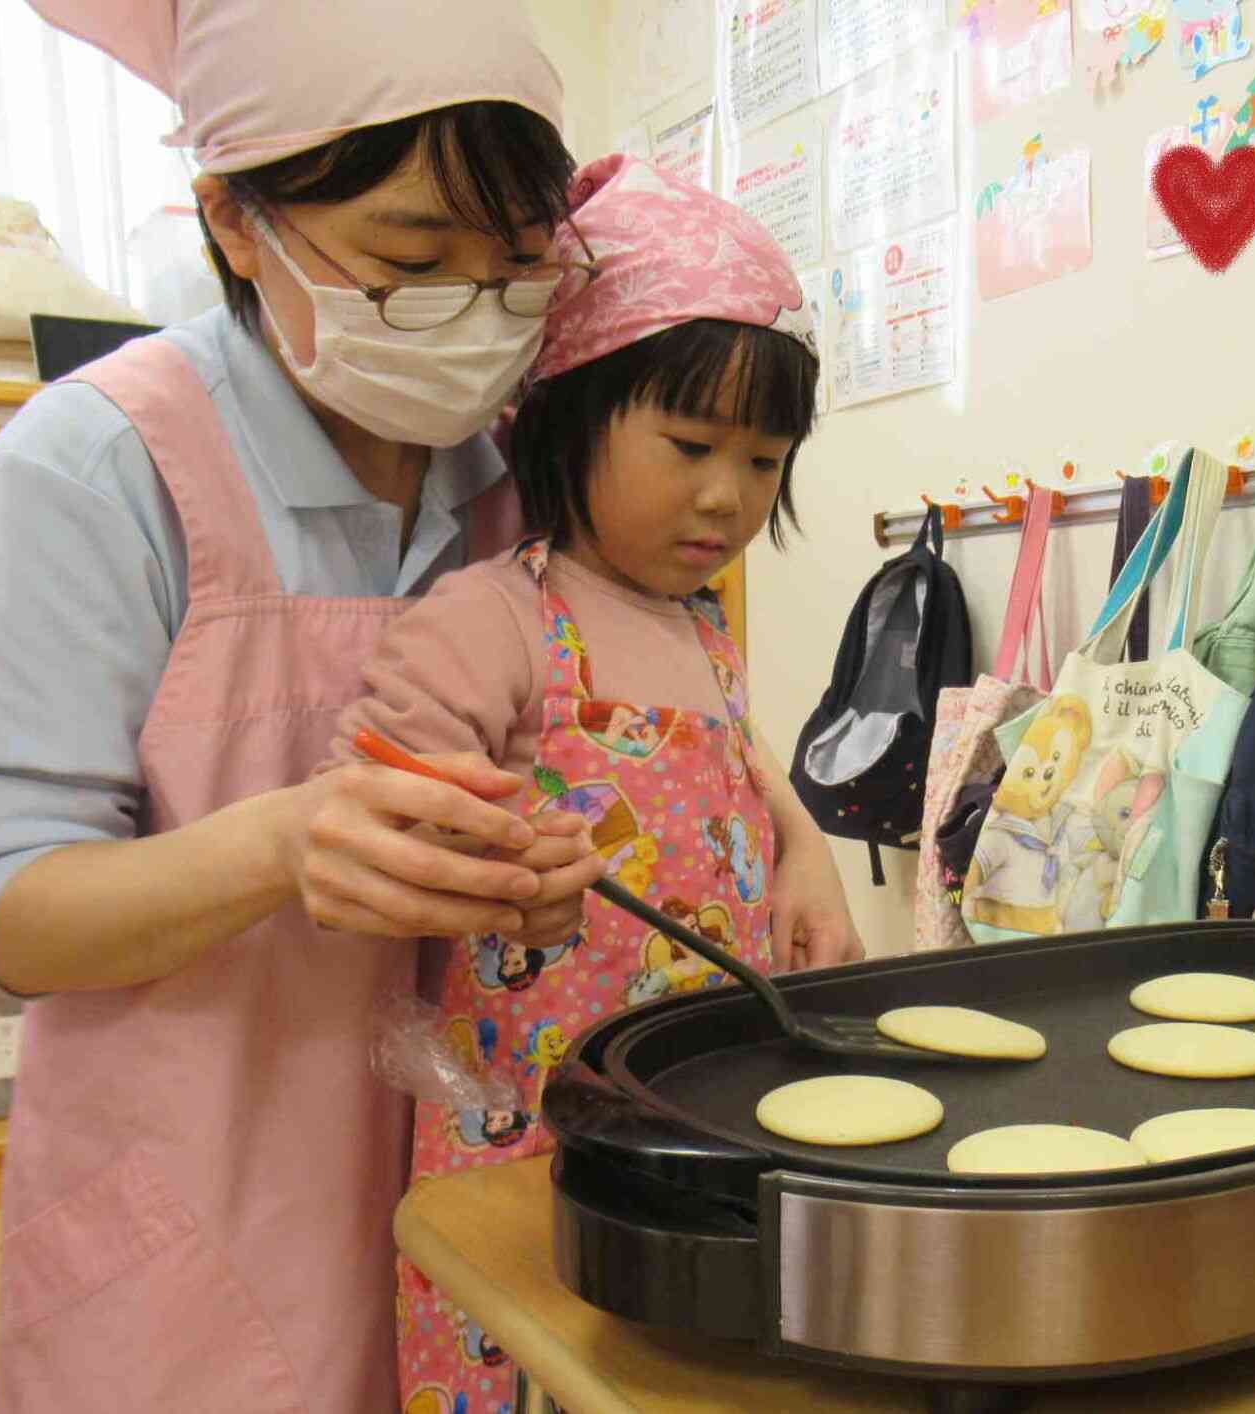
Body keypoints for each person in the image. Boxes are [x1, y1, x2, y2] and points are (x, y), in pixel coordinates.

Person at [0, 4, 610, 1409]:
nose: (472, 319)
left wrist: (532, 868)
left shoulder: (511, 487)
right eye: (413, 266)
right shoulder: (89, 476)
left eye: (520, 269)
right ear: (234, 218)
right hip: (195, 1222)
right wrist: (287, 844)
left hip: (458, 1197)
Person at [328, 154, 863, 1411]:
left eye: (766, 460)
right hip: (530, 1134)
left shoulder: (702, 628)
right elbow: (377, 821)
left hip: (700, 1111)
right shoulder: (493, 619)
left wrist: (804, 847)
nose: (728, 496)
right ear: (565, 409)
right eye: (688, 444)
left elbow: (739, 758)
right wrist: (489, 861)